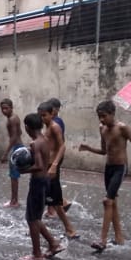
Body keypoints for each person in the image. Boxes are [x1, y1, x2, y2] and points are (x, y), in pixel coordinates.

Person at [78, 100, 131, 252]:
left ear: (112, 114)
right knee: (112, 202)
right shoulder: (102, 129)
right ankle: (119, 237)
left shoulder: (122, 128)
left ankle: (102, 240)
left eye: (104, 116)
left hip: (120, 168)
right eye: (99, 117)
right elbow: (104, 151)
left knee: (107, 201)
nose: (102, 120)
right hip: (109, 168)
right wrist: (88, 148)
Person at [18, 112, 65, 260]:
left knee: (32, 219)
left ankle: (37, 253)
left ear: (27, 127)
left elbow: (38, 165)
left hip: (38, 182)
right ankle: (53, 244)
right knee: (35, 218)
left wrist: (23, 170)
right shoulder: (44, 140)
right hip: (44, 181)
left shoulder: (35, 143)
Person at [38, 101, 77, 239]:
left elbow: (62, 146)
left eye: (44, 115)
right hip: (46, 167)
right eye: (40, 116)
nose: (42, 118)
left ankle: (69, 229)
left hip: (51, 168)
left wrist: (54, 165)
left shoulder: (55, 127)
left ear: (51, 114)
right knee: (53, 200)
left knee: (51, 200)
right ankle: (69, 229)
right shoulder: (46, 127)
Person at [0, 98, 22, 207]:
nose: (4, 111)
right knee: (14, 176)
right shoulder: (13, 118)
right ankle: (14, 200)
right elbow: (20, 132)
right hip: (17, 147)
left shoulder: (12, 119)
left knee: (14, 176)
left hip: (16, 147)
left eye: (6, 108)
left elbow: (13, 138)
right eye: (2, 109)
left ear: (11, 108)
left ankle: (14, 201)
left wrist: (5, 153)